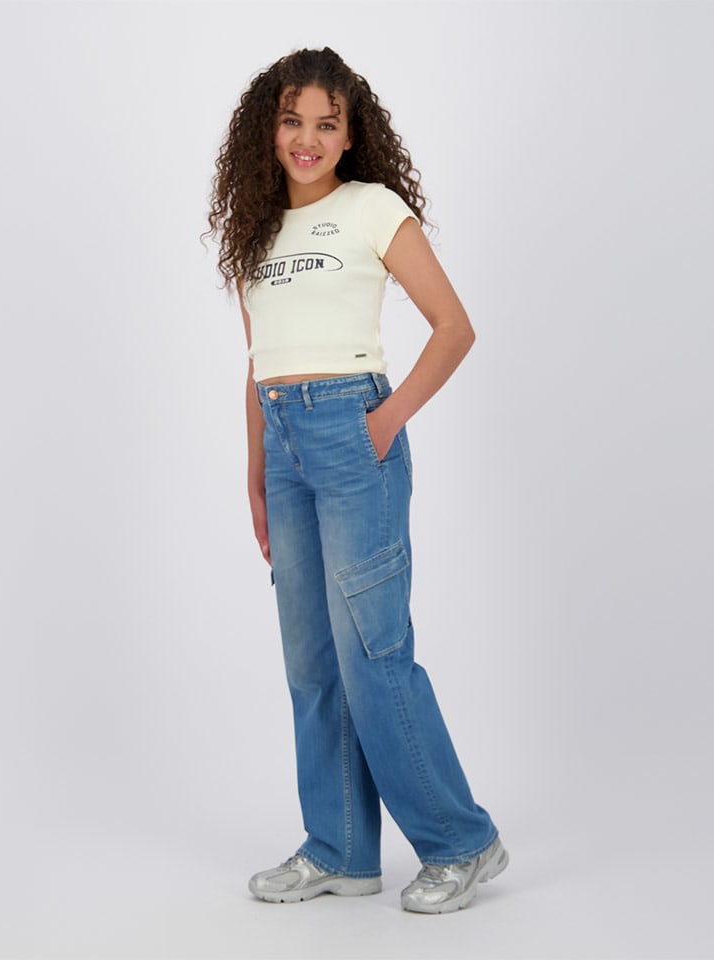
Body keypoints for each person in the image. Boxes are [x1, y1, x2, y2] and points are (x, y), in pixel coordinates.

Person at [203, 46, 508, 914]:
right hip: (285, 447)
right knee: (311, 663)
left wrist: (384, 421)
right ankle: (340, 848)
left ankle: (462, 841)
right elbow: (258, 363)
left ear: (349, 135)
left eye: (325, 124)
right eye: (291, 120)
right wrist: (256, 472)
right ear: (268, 130)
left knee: (374, 654)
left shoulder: (373, 208)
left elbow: (453, 327)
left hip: (352, 436)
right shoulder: (255, 236)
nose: (306, 138)